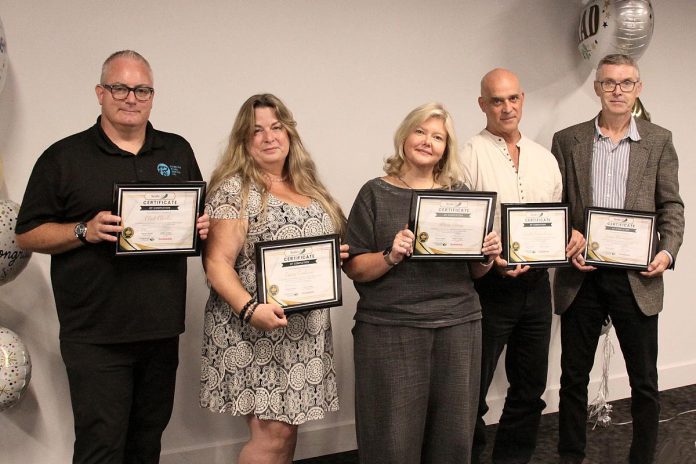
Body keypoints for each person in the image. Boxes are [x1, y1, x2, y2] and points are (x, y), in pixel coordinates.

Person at [15, 50, 209, 463]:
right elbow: (28, 234)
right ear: (100, 93)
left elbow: (197, 217)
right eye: (120, 87)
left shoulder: (176, 151)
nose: (131, 97)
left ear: (152, 96)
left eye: (141, 89)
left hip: (160, 328)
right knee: (101, 447)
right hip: (95, 334)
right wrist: (84, 230)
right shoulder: (63, 157)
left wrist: (201, 228)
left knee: (146, 442)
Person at [343, 102, 502, 464]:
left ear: (446, 148)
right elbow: (353, 267)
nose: (427, 141)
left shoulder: (463, 196)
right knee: (391, 442)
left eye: (438, 137)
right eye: (420, 132)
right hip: (390, 330)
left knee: (451, 440)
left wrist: (486, 255)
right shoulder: (375, 193)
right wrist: (390, 255)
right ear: (404, 136)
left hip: (458, 328)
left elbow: (476, 273)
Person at [199, 93, 348, 464]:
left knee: (284, 436)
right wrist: (251, 310)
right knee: (271, 437)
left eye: (276, 127)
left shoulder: (309, 187)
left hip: (303, 334)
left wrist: (333, 257)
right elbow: (216, 263)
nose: (269, 137)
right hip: (256, 329)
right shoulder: (236, 190)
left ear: (289, 133)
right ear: (243, 141)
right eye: (257, 131)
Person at [552, 54, 684, 464]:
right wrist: (564, 240)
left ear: (638, 88)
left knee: (644, 381)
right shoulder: (567, 139)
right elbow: (554, 207)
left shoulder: (659, 140)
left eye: (626, 83)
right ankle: (570, 456)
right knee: (573, 379)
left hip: (638, 277)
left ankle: (641, 458)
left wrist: (666, 251)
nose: (617, 90)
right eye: (609, 82)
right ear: (597, 88)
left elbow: (672, 206)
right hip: (582, 277)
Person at [462, 68, 584, 464]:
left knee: (530, 388)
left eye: (513, 98)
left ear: (523, 100)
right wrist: (492, 261)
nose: (506, 107)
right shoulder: (467, 155)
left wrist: (568, 241)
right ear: (482, 104)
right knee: (471, 391)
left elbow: (555, 223)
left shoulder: (546, 159)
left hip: (535, 287)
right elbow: (460, 226)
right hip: (487, 287)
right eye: (496, 100)